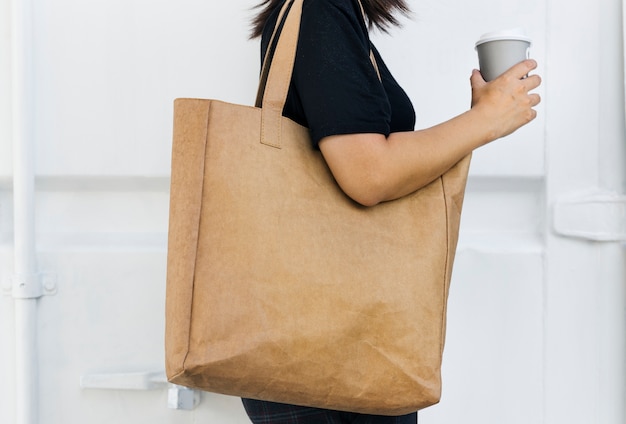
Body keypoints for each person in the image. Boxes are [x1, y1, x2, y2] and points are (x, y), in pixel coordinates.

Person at [243, 0, 541, 422]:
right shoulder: (321, 10)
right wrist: (485, 119)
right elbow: (368, 173)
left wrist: (483, 117)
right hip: (325, 357)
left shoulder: (333, 12)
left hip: (338, 340)